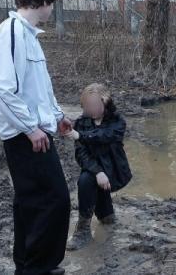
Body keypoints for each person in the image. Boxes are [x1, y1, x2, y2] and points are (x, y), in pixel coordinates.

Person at [0, 0, 71, 275]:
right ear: (42, 1)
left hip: (36, 131)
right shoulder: (11, 31)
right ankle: (40, 267)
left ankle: (28, 266)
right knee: (55, 201)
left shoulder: (29, 36)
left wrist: (58, 116)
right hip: (26, 137)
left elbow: (39, 88)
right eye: (52, 2)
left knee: (29, 203)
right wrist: (30, 128)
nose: (52, 9)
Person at [64, 83, 131, 250]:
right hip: (95, 170)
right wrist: (98, 171)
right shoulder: (81, 122)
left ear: (105, 102)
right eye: (87, 105)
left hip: (114, 169)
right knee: (86, 179)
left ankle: (106, 215)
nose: (90, 109)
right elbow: (81, 154)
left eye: (94, 105)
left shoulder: (117, 121)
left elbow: (105, 136)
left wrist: (80, 135)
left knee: (90, 179)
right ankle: (84, 229)